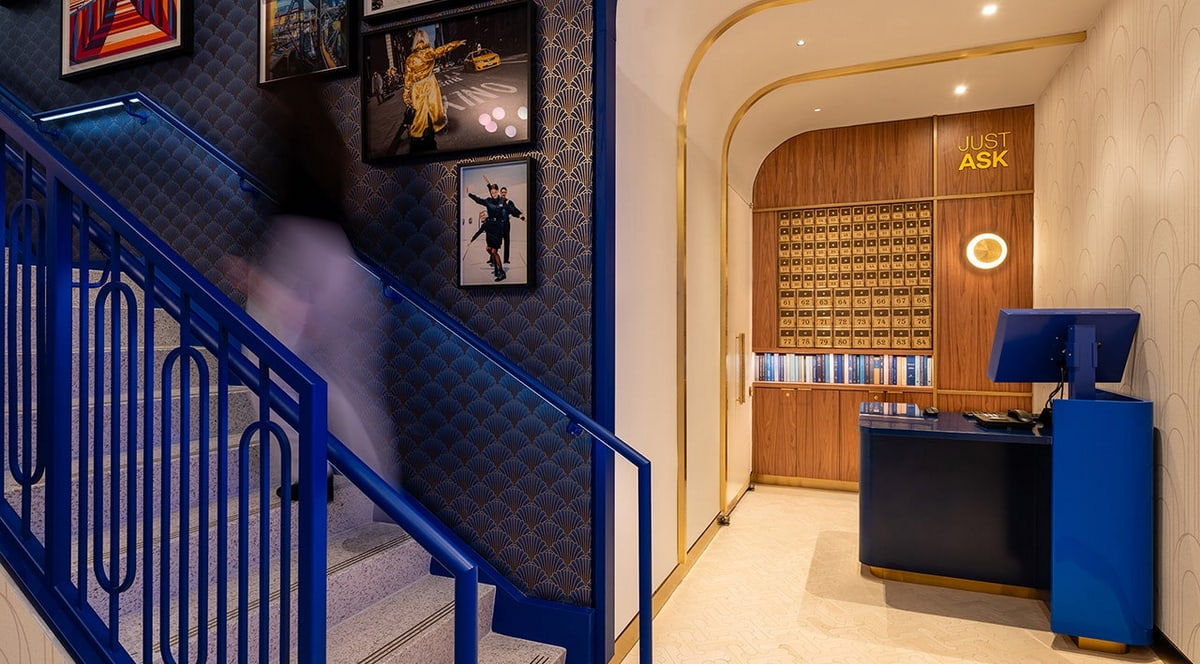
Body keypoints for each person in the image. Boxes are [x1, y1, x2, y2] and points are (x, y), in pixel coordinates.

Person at [223, 78, 398, 504]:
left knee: (268, 369)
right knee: (346, 385)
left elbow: (287, 213)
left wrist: (258, 276)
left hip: (301, 258)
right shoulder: (329, 141)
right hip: (342, 262)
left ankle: (308, 471)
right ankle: (379, 497)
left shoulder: (289, 136)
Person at [402, 29, 466, 152]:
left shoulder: (410, 59)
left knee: (419, 112)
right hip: (430, 84)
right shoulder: (429, 52)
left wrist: (406, 97)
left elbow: (407, 80)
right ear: (425, 39)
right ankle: (437, 128)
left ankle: (417, 136)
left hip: (417, 88)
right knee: (434, 107)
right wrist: (457, 43)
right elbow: (443, 49)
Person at [467, 182, 508, 281]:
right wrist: (469, 194)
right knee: (489, 249)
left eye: (495, 192)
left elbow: (511, 209)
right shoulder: (488, 201)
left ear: (497, 191)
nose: (493, 194)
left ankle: (502, 272)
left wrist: (520, 215)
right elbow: (478, 200)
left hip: (498, 228)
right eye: (492, 192)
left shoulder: (502, 201)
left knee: (494, 251)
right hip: (490, 228)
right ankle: (496, 267)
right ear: (490, 192)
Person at [498, 186, 524, 263]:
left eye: (505, 192)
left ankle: (506, 260)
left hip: (506, 224)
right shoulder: (497, 201)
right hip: (499, 224)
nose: (503, 193)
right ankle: (492, 259)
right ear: (500, 193)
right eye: (502, 192)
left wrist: (520, 215)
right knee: (496, 242)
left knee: (507, 242)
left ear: (506, 193)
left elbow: (514, 210)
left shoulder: (509, 202)